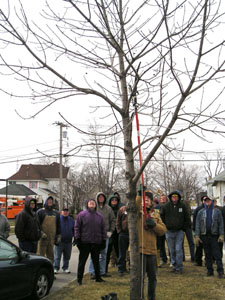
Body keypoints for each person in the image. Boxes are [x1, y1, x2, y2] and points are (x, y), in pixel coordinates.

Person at [136, 189, 166, 300]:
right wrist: (139, 195)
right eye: (144, 199)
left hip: (152, 250)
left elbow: (163, 230)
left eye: (148, 199)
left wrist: (154, 225)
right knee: (140, 278)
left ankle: (151, 297)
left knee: (153, 278)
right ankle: (140, 297)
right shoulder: (137, 212)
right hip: (139, 250)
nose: (146, 201)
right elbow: (134, 205)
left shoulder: (155, 214)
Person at [74, 198, 107, 285]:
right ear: (87, 204)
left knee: (96, 261)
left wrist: (104, 240)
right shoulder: (81, 215)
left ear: (95, 205)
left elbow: (103, 229)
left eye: (93, 203)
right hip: (85, 242)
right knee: (82, 262)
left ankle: (98, 278)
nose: (92, 204)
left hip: (96, 243)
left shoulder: (100, 216)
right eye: (90, 203)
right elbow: (77, 227)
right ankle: (79, 279)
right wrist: (77, 239)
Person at [160, 190, 191, 274]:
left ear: (178, 197)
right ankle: (173, 265)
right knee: (171, 249)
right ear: (170, 197)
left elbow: (187, 218)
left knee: (178, 249)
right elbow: (161, 217)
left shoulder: (182, 206)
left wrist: (184, 228)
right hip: (169, 231)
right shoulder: (166, 206)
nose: (174, 198)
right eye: (173, 197)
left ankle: (179, 266)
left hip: (179, 231)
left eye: (176, 197)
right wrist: (165, 227)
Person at [195, 196, 224, 278]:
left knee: (217, 254)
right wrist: (197, 235)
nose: (207, 202)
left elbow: (221, 224)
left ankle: (220, 271)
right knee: (207, 254)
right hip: (204, 236)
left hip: (214, 236)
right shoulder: (201, 212)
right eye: (205, 200)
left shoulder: (217, 212)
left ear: (212, 201)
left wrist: (221, 235)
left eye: (208, 200)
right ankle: (209, 271)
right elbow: (197, 224)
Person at [89, 192, 115, 279]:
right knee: (94, 254)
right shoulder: (94, 209)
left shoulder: (108, 209)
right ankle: (93, 272)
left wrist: (111, 231)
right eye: (99, 197)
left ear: (104, 198)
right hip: (95, 235)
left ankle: (102, 271)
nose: (101, 198)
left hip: (105, 235)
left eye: (102, 197)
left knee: (104, 254)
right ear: (97, 198)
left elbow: (113, 220)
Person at [37, 196, 61, 262]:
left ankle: (50, 270)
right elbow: (36, 225)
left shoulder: (56, 213)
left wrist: (59, 235)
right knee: (40, 255)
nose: (50, 202)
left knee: (51, 256)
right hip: (42, 238)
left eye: (51, 201)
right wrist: (40, 233)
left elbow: (58, 225)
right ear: (46, 201)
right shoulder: (40, 212)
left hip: (51, 238)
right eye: (49, 200)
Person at [106, 193, 125, 273]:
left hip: (117, 233)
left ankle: (121, 268)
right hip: (109, 233)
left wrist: (119, 230)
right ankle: (104, 269)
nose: (114, 201)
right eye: (112, 200)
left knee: (119, 251)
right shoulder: (107, 209)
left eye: (115, 200)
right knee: (107, 251)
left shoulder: (120, 210)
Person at [54, 207, 74, 274]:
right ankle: (56, 268)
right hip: (59, 241)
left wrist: (75, 238)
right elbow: (54, 230)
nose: (65, 212)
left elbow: (74, 229)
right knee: (57, 256)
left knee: (67, 256)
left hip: (68, 241)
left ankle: (65, 268)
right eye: (64, 211)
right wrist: (55, 239)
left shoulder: (71, 220)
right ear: (61, 212)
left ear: (68, 212)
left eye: (66, 211)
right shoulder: (57, 219)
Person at [192, 195, 206, 266]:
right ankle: (198, 261)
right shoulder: (198, 209)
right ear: (202, 201)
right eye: (204, 200)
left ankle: (208, 260)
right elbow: (195, 220)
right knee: (199, 247)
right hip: (199, 231)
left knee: (207, 247)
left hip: (207, 232)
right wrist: (195, 230)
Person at [116, 205, 129, 276]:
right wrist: (119, 231)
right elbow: (118, 220)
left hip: (133, 234)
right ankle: (121, 268)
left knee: (131, 253)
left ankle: (131, 267)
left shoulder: (137, 208)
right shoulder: (122, 209)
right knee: (122, 252)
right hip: (123, 233)